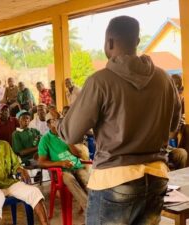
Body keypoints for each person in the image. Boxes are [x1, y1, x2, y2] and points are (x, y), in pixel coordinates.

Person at [56, 16, 181, 224]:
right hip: (156, 177)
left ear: (110, 42)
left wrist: (59, 123)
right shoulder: (164, 79)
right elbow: (172, 128)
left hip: (115, 181)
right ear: (137, 42)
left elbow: (70, 134)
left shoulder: (100, 81)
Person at [0, 123, 49, 225]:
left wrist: (21, 170)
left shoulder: (5, 145)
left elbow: (15, 164)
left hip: (10, 182)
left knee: (35, 192)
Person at [38, 117, 89, 211]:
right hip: (61, 171)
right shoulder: (45, 140)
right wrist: (60, 163)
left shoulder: (66, 135)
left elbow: (78, 154)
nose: (58, 126)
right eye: (54, 123)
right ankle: (90, 211)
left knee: (87, 182)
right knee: (71, 180)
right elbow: (41, 163)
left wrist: (67, 140)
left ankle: (95, 209)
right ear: (48, 125)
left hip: (76, 166)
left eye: (59, 123)